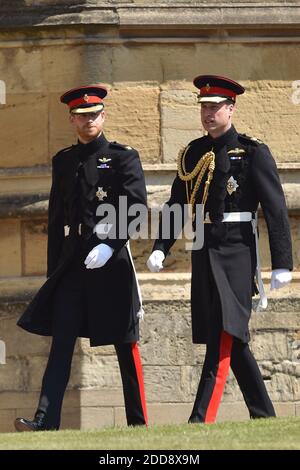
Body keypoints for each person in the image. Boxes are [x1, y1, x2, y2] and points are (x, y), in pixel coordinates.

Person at [147, 75, 293, 423]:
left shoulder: (253, 151)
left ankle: (200, 419)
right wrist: (161, 247)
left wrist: (283, 263)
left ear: (231, 108)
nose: (208, 114)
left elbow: (275, 210)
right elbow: (177, 205)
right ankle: (265, 416)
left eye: (215, 107)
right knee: (230, 334)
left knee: (226, 331)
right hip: (204, 248)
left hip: (237, 250)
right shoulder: (194, 152)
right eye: (204, 107)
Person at [14, 85, 148, 431]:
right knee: (61, 341)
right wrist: (53, 272)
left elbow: (136, 208)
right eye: (82, 115)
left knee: (124, 341)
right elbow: (56, 216)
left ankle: (138, 422)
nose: (88, 120)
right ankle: (45, 421)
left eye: (94, 114)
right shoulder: (64, 161)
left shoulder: (123, 157)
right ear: (72, 119)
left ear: (103, 116)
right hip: (73, 265)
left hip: (111, 261)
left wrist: (110, 243)